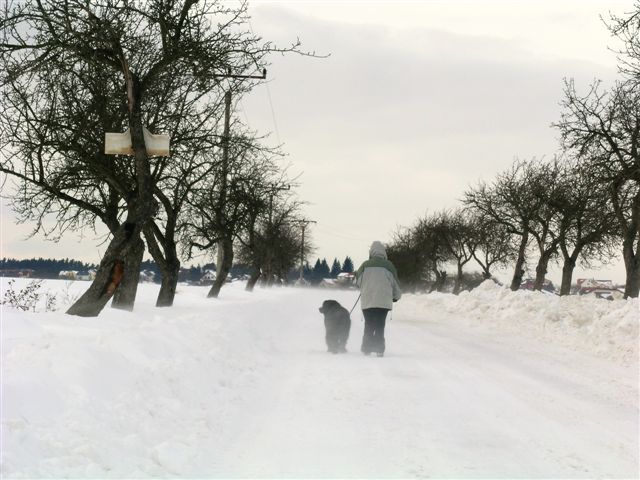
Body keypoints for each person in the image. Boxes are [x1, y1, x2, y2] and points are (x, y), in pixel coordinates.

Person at [355, 241, 402, 357]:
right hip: (383, 303)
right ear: (384, 252)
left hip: (368, 301)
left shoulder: (365, 265)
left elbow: (358, 282)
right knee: (380, 325)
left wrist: (365, 286)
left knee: (369, 324)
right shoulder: (389, 266)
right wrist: (396, 297)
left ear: (371, 252)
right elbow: (395, 284)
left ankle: (366, 349)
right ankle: (379, 349)